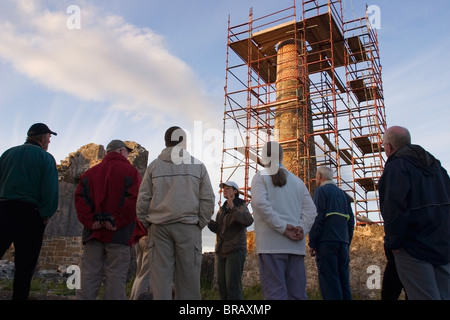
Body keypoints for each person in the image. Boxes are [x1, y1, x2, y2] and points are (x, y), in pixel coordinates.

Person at [136, 126, 215, 300]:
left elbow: (142, 200)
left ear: (166, 142)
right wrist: (199, 223)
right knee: (189, 280)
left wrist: (148, 224)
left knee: (160, 282)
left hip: (159, 228)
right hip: (188, 226)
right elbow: (208, 199)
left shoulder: (154, 167)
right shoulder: (198, 167)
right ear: (184, 142)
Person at [379, 125, 450, 300]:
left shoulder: (396, 167)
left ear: (389, 147)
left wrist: (393, 243)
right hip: (441, 243)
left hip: (413, 246)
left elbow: (393, 208)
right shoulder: (437, 168)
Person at [74, 139, 144, 300]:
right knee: (115, 279)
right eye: (126, 151)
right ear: (121, 151)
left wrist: (91, 221)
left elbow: (80, 200)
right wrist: (117, 222)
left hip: (93, 234)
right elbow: (135, 201)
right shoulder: (131, 172)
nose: (127, 155)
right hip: (118, 235)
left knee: (88, 277)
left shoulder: (89, 174)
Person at [250, 141, 317, 300]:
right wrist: (301, 228)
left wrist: (282, 228)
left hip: (271, 246)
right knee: (297, 295)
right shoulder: (297, 181)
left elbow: (259, 203)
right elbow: (311, 210)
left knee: (275, 294)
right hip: (295, 246)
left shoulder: (260, 177)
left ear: (263, 156)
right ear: (282, 156)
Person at [0, 123, 59, 300]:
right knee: (24, 270)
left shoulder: (7, 154)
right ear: (42, 139)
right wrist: (45, 215)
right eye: (49, 138)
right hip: (29, 216)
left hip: (3, 211)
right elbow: (50, 191)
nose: (49, 142)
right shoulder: (46, 158)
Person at [308, 166, 354, 300]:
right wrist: (347, 242)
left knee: (330, 282)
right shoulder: (343, 195)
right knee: (344, 282)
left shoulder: (320, 192)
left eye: (316, 177)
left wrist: (312, 243)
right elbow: (351, 222)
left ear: (320, 177)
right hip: (343, 243)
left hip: (326, 243)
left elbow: (318, 218)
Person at [207, 181, 253, 300]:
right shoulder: (222, 210)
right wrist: (207, 219)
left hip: (235, 249)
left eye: (228, 188)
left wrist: (233, 207)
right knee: (222, 287)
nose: (225, 190)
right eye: (224, 189)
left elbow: (248, 220)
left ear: (235, 191)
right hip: (222, 251)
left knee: (233, 287)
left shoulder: (241, 205)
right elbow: (219, 229)